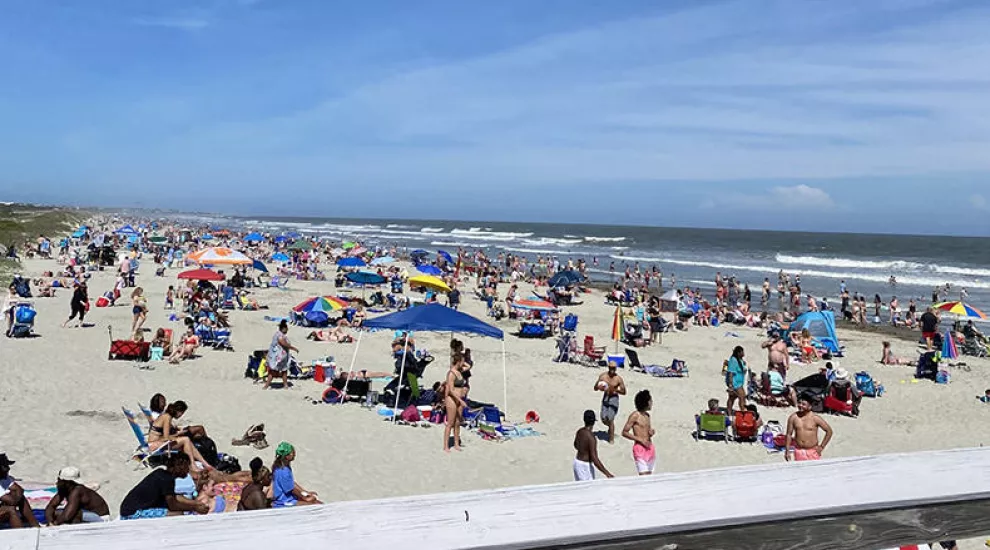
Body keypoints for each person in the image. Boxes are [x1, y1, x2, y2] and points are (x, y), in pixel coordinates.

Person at [119, 454, 208, 519]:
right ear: (180, 467)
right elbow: (173, 505)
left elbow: (175, 498)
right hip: (132, 513)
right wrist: (195, 508)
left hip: (129, 508)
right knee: (178, 514)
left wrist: (196, 503)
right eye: (186, 467)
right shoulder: (167, 480)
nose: (188, 471)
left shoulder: (162, 474)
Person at [147, 401, 212, 472]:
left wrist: (177, 434)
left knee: (187, 441)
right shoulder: (167, 417)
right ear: (178, 412)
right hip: (155, 445)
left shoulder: (165, 415)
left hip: (156, 442)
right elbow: (166, 437)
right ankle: (193, 464)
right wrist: (178, 434)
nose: (181, 416)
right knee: (186, 439)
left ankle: (205, 463)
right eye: (182, 413)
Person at [44, 467, 110, 524]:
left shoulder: (77, 490)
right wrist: (50, 521)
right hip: (88, 514)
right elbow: (51, 506)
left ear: (67, 482)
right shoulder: (65, 489)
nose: (57, 482)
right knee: (58, 513)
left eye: (59, 480)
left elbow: (67, 516)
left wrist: (55, 524)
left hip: (101, 518)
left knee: (74, 514)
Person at [785, 394, 833, 462]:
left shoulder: (815, 418)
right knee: (800, 471)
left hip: (812, 451)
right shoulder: (793, 417)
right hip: (799, 450)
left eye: (803, 404)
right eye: (799, 403)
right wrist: (787, 450)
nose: (800, 405)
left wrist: (821, 446)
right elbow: (789, 434)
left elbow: (829, 431)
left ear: (810, 406)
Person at [271, 442, 321, 507]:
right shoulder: (283, 471)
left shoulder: (281, 467)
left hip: (288, 498)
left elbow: (292, 483)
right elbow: (291, 489)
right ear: (287, 456)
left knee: (316, 502)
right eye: (292, 453)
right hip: (284, 501)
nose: (294, 454)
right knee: (316, 505)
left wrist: (305, 492)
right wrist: (305, 498)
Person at [0, 453, 39, 528]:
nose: (8, 468)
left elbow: (19, 489)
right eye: (5, 466)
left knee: (21, 499)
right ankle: (20, 534)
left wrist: (15, 496)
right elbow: (11, 500)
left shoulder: (3, 477)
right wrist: (14, 495)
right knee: (11, 510)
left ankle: (35, 525)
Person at [621, 390, 655, 475]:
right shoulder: (635, 415)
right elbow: (624, 432)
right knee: (644, 477)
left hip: (650, 447)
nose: (652, 403)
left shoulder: (647, 416)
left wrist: (650, 433)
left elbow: (647, 431)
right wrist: (640, 439)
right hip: (639, 448)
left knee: (651, 477)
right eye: (650, 401)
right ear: (645, 402)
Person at [573, 410, 613, 481]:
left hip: (577, 463)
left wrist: (583, 449)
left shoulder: (579, 431)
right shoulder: (591, 438)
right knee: (587, 489)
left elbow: (575, 445)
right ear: (594, 422)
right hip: (584, 466)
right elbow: (594, 458)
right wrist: (607, 473)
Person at [595, 361, 626, 444]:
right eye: (611, 368)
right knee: (604, 419)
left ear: (616, 369)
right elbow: (595, 387)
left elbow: (624, 392)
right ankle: (611, 428)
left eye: (614, 368)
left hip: (614, 399)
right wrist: (599, 387)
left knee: (610, 419)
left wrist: (615, 390)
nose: (612, 370)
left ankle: (611, 438)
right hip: (605, 397)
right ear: (608, 367)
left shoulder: (618, 379)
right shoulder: (603, 376)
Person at [443, 354, 468, 452]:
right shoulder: (451, 373)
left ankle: (456, 443)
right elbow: (451, 390)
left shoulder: (459, 371)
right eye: (462, 361)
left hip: (459, 399)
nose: (463, 363)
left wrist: (462, 359)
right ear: (458, 362)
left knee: (458, 422)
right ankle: (446, 446)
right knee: (450, 423)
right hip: (452, 399)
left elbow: (468, 366)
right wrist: (461, 400)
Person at [264, 320, 298, 390]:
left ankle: (285, 385)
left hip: (281, 356)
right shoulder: (279, 335)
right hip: (277, 357)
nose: (287, 330)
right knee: (273, 371)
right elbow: (282, 343)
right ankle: (267, 385)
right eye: (287, 328)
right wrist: (293, 348)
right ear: (283, 328)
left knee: (283, 371)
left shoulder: (280, 334)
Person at [725, 346, 747, 415]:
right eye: (742, 352)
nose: (743, 353)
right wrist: (731, 385)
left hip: (739, 382)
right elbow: (731, 373)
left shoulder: (740, 360)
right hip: (735, 382)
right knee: (742, 396)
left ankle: (729, 411)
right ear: (738, 353)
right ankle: (743, 411)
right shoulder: (733, 360)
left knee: (732, 397)